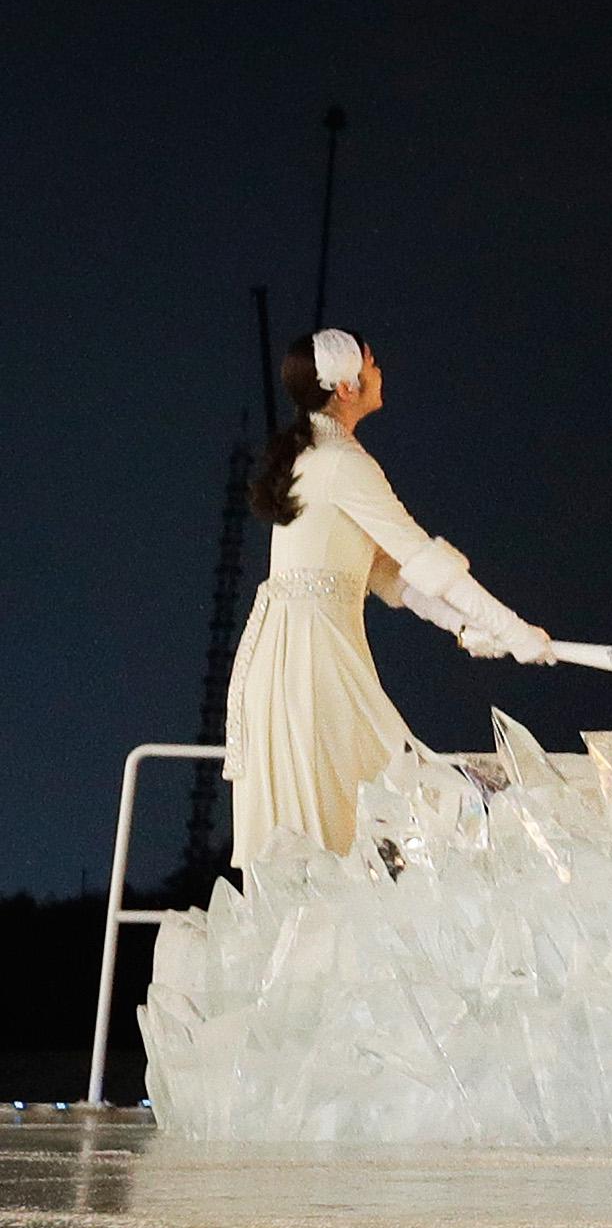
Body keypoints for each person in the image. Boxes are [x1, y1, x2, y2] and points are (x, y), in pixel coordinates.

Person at [221, 328, 555, 861]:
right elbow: (420, 560)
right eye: (372, 364)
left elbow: (389, 576)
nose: (381, 371)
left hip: (306, 654)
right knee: (378, 798)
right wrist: (515, 630)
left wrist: (468, 627)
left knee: (356, 809)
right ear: (347, 387)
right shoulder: (343, 466)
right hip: (311, 660)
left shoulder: (321, 459)